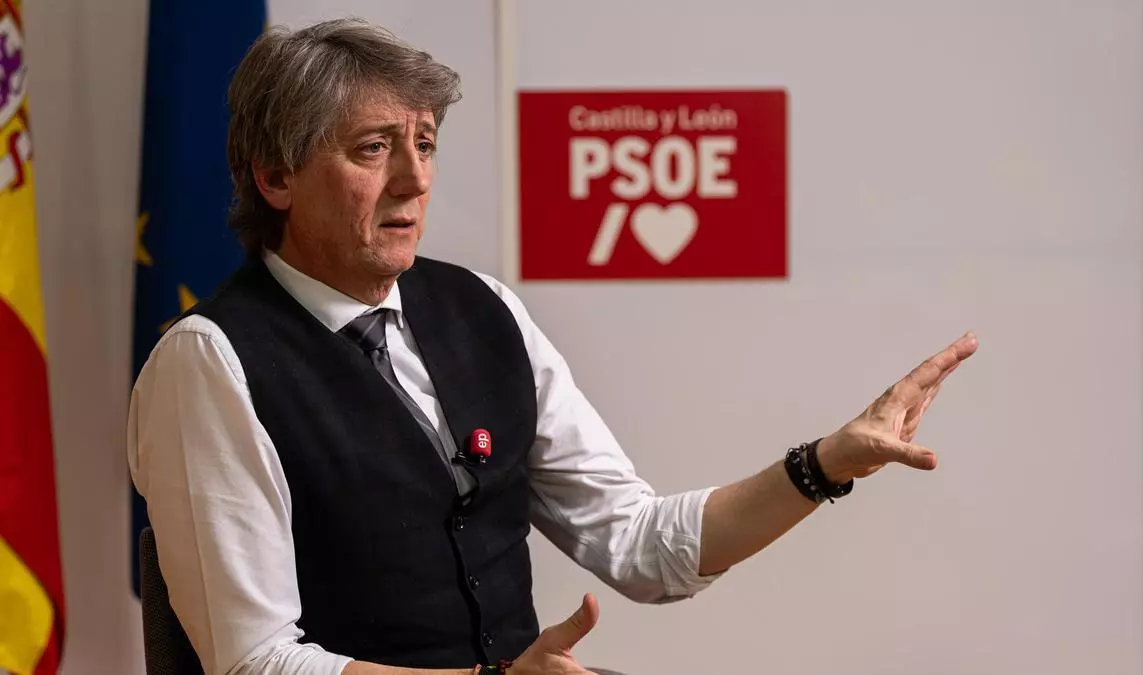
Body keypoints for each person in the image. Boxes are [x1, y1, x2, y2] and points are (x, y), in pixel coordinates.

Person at [126, 17, 978, 675]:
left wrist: (825, 464)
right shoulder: (210, 362)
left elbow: (641, 545)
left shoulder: (482, 307)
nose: (414, 180)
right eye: (373, 148)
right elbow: (257, 661)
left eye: (425, 144)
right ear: (275, 176)